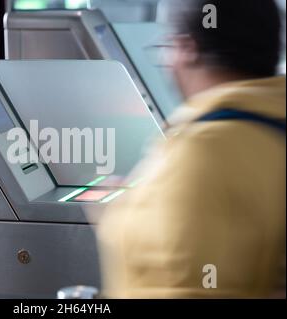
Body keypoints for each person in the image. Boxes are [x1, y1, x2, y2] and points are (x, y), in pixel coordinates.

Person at [97, 0, 286, 298]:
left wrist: (127, 217)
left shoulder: (202, 152)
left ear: (187, 49)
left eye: (168, 45)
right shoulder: (272, 122)